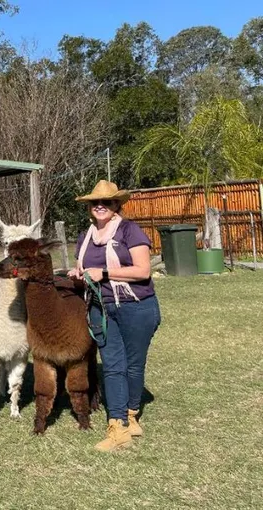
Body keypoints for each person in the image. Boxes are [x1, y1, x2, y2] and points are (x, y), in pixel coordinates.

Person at [68, 180, 161, 452]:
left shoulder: (130, 231)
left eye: (106, 202)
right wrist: (79, 275)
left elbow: (143, 271)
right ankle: (117, 425)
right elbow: (83, 267)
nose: (100, 206)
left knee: (133, 365)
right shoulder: (86, 237)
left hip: (137, 307)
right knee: (112, 366)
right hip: (101, 308)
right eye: (95, 202)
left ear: (117, 205)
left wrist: (104, 274)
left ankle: (132, 415)